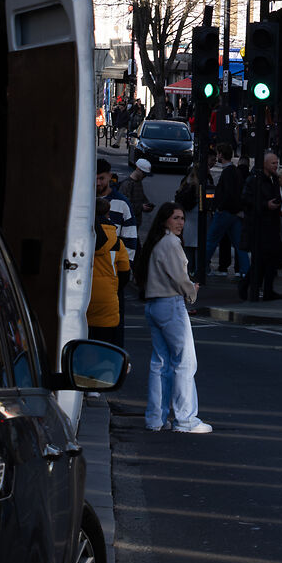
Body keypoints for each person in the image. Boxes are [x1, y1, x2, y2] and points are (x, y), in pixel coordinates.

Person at [137, 204, 209, 434]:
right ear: (165, 220)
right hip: (170, 304)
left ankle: (155, 419)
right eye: (175, 218)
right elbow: (179, 276)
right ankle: (186, 419)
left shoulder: (156, 242)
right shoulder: (171, 243)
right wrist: (191, 291)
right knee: (185, 362)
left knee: (160, 364)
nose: (180, 222)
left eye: (182, 218)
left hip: (154, 304)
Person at [88, 168, 132, 350]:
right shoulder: (117, 243)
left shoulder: (84, 239)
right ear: (108, 215)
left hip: (86, 300)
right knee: (106, 347)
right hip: (108, 301)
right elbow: (124, 273)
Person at [240, 152, 282, 302]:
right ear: (265, 163)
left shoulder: (273, 180)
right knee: (260, 261)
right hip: (259, 227)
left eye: (276, 163)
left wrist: (279, 206)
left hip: (271, 226)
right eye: (273, 163)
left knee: (271, 261)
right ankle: (246, 285)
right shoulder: (254, 179)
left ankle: (267, 290)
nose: (276, 166)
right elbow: (246, 200)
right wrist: (265, 205)